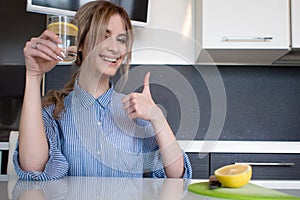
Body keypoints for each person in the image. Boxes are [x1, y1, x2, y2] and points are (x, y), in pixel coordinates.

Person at [14, 0, 192, 180]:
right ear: (80, 43)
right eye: (104, 36)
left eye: (121, 39)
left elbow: (177, 175)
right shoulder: (53, 113)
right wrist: (33, 75)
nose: (115, 48)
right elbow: (33, 169)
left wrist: (157, 116)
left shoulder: (135, 112)